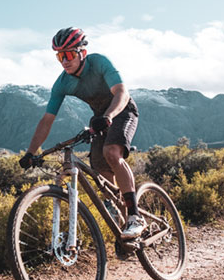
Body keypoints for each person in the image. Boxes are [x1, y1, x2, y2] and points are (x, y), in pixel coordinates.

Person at [19, 27, 146, 239]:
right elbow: (47, 120)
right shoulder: (62, 83)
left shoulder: (99, 63)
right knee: (101, 170)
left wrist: (109, 116)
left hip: (122, 110)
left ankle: (135, 217)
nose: (64, 61)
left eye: (69, 54)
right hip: (99, 118)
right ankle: (121, 222)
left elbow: (122, 93)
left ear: (82, 53)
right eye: (60, 56)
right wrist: (31, 153)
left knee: (112, 153)